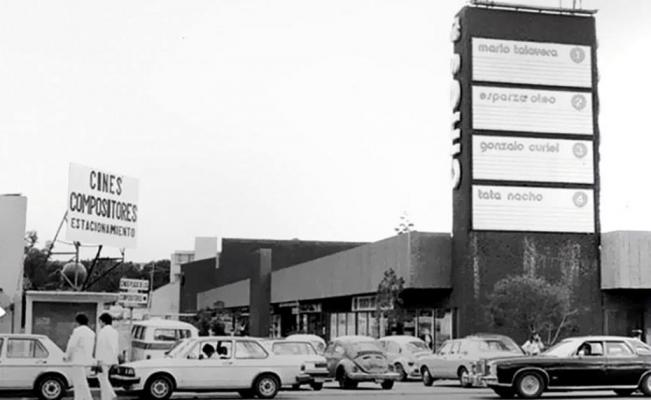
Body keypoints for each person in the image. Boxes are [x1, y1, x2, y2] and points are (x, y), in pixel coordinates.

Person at [64, 313, 95, 400]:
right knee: (82, 382)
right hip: (87, 361)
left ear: (77, 322)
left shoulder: (77, 331)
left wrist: (67, 356)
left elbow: (72, 345)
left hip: (78, 361)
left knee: (79, 383)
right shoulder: (91, 333)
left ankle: (87, 398)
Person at [96, 313, 119, 400]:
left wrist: (98, 360)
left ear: (103, 321)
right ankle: (106, 397)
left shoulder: (103, 332)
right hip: (111, 359)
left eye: (100, 322)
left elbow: (100, 346)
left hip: (103, 359)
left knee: (102, 377)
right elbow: (116, 347)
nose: (99, 324)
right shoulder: (115, 332)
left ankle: (111, 395)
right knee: (104, 378)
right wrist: (116, 361)